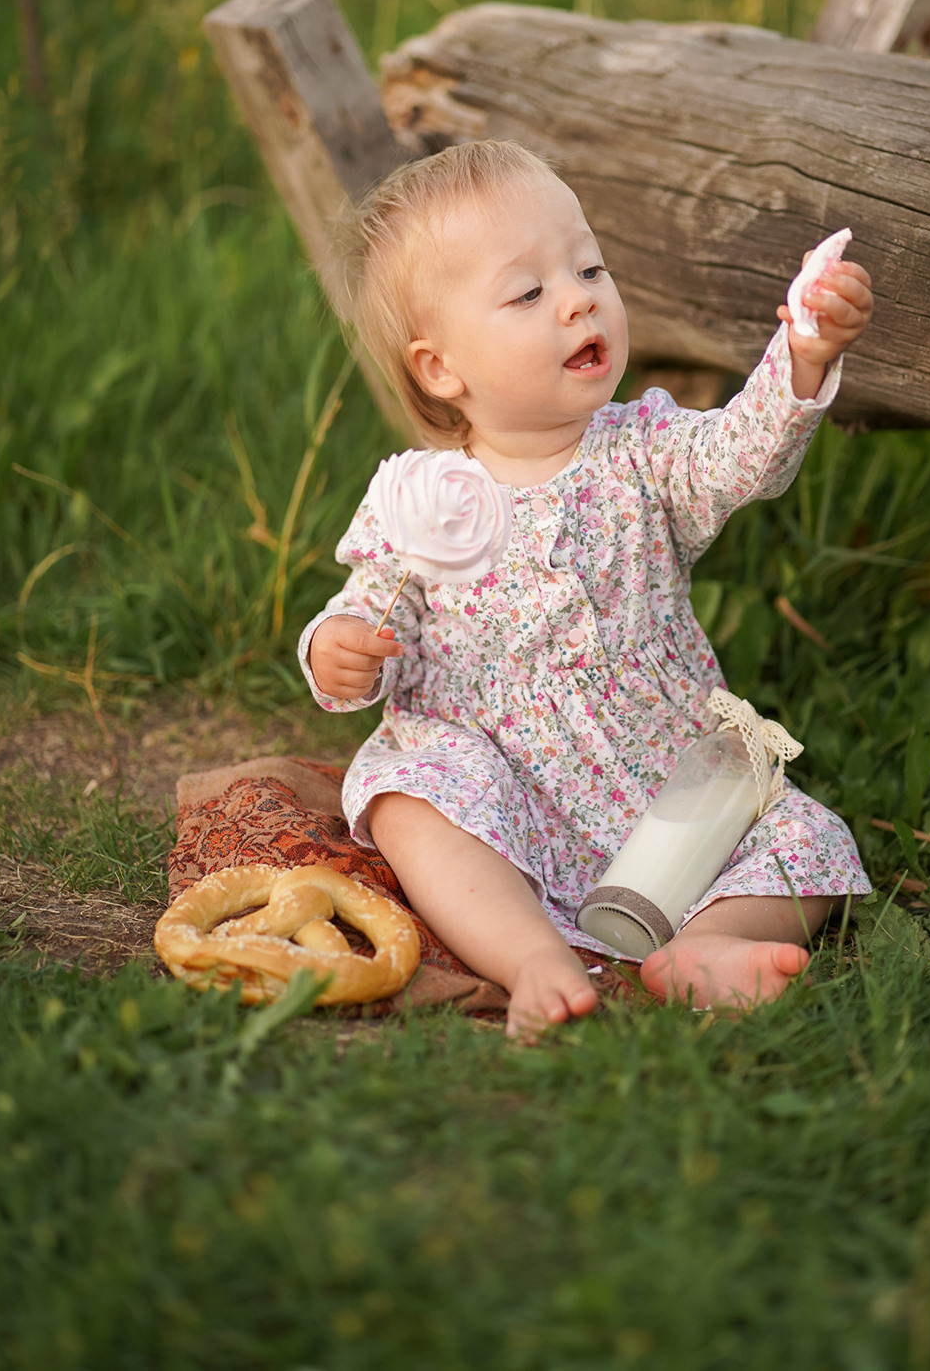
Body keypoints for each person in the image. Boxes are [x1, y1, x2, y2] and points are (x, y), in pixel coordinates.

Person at [300, 141, 874, 1038]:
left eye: (589, 267)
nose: (577, 298)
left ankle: (702, 947)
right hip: (490, 776)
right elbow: (378, 603)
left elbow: (744, 454)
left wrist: (801, 352)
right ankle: (529, 953)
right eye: (528, 293)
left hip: (655, 769)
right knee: (408, 796)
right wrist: (342, 648)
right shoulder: (422, 497)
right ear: (441, 369)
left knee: (807, 841)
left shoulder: (645, 452)